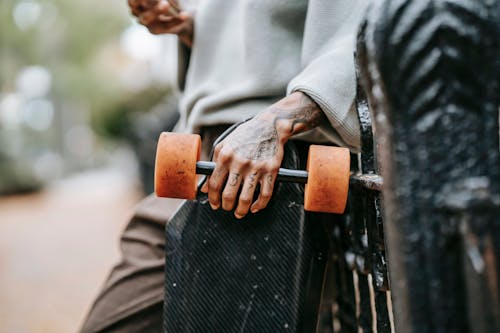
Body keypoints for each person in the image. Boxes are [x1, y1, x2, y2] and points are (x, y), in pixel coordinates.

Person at [80, 0, 368, 331]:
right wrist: (189, 27)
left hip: (275, 167)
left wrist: (276, 123)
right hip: (198, 153)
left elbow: (368, 33)